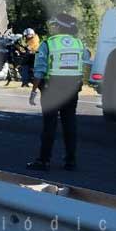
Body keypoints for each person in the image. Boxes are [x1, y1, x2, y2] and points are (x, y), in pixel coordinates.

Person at [26, 13, 88, 171]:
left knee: (50, 125)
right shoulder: (79, 43)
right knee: (70, 124)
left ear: (59, 27)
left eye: (54, 25)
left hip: (51, 88)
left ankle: (43, 160)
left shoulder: (48, 44)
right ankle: (71, 161)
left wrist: (33, 91)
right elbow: (84, 63)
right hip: (72, 89)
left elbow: (39, 71)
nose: (52, 27)